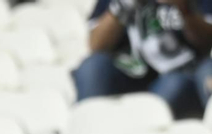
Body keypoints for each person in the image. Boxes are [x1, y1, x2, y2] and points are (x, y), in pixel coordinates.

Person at [73, 0, 212, 118]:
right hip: (128, 72)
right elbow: (96, 45)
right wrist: (123, 5)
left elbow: (207, 43)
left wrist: (183, 9)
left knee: (173, 86)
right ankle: (89, 131)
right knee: (92, 67)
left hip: (179, 75)